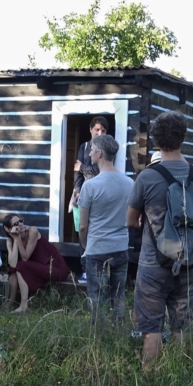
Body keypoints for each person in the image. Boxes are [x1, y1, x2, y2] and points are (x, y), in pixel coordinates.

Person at [127, 110, 193, 364]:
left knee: (151, 328)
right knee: (181, 327)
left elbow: (130, 220)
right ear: (183, 138)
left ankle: (150, 379)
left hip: (154, 263)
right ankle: (180, 378)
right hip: (189, 262)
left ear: (156, 141)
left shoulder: (148, 177)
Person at [77, 134, 132, 323]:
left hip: (97, 247)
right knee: (118, 297)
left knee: (97, 300)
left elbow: (83, 226)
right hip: (121, 246)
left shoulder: (90, 186)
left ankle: (97, 338)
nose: (89, 153)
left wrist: (86, 246)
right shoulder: (130, 183)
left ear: (99, 153)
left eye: (92, 149)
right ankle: (119, 331)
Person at [69, 117, 109, 282]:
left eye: (103, 131)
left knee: (97, 232)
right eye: (97, 129)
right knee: (82, 232)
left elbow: (100, 172)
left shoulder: (107, 148)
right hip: (84, 194)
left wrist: (83, 168)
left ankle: (99, 270)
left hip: (100, 195)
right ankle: (85, 270)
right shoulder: (84, 147)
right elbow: (77, 172)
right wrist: (77, 192)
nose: (100, 133)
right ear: (90, 130)